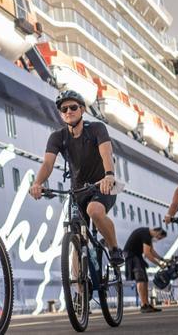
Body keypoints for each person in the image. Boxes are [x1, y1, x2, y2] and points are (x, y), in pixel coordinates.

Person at [30, 90, 125, 265]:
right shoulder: (58, 137)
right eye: (64, 109)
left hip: (101, 185)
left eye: (73, 107)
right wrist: (37, 183)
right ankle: (79, 290)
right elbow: (48, 163)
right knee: (76, 237)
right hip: (78, 191)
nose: (68, 111)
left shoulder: (96, 128)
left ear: (82, 110)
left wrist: (109, 176)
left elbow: (106, 153)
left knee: (94, 211)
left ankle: (114, 248)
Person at [124, 226, 169, 313]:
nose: (158, 239)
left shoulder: (148, 235)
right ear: (158, 232)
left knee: (145, 279)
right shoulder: (146, 235)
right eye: (159, 238)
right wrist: (159, 264)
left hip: (137, 255)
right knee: (140, 279)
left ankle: (147, 304)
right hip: (131, 255)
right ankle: (143, 305)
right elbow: (147, 253)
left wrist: (162, 259)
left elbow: (151, 250)